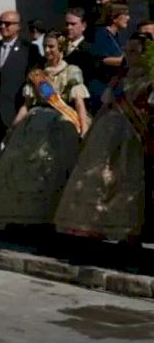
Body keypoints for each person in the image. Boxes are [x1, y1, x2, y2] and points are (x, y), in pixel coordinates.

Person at [0, 33, 89, 229]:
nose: (47, 51)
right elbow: (26, 104)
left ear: (61, 48)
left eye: (52, 47)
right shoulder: (37, 74)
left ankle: (50, 218)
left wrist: (84, 128)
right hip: (34, 121)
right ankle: (24, 217)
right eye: (45, 46)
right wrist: (13, 127)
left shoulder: (71, 71)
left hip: (61, 123)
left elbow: (79, 103)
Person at [55, 34, 154, 245]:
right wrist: (90, 131)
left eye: (134, 51)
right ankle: (92, 228)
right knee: (98, 179)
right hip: (106, 132)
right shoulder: (119, 79)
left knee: (124, 182)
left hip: (131, 135)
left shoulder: (149, 80)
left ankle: (126, 232)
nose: (129, 55)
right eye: (127, 50)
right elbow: (104, 107)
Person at [0, 10, 43, 200]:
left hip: (15, 112)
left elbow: (35, 78)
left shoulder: (29, 50)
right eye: (0, 23)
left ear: (18, 26)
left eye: (7, 23)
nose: (3, 27)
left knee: (13, 158)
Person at [86, 2, 131, 113]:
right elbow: (103, 60)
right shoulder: (101, 35)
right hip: (101, 89)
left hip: (113, 89)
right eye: (125, 14)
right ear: (114, 18)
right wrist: (129, 60)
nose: (128, 18)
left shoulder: (115, 36)